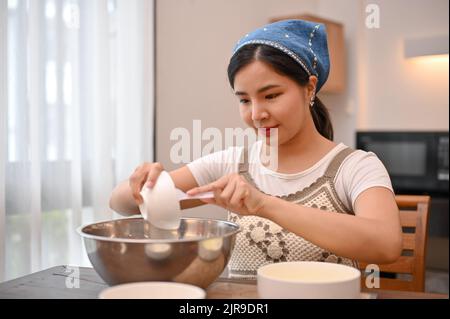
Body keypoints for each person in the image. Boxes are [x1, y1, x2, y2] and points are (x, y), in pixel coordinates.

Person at [109, 19, 402, 278]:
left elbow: (386, 244)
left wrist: (263, 204)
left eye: (271, 95)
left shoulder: (354, 167)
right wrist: (143, 183)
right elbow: (122, 204)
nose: (257, 114)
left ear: (309, 88)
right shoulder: (232, 164)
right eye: (245, 100)